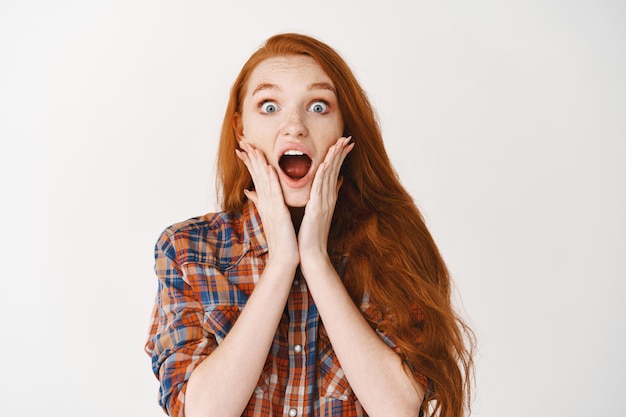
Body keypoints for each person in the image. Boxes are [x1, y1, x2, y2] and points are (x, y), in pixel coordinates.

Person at [145, 33, 474, 417]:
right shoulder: (187, 249)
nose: (295, 127)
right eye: (269, 106)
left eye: (318, 106)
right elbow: (201, 412)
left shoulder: (393, 244)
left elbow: (397, 409)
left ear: (343, 129)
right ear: (241, 129)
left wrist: (314, 258)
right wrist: (282, 260)